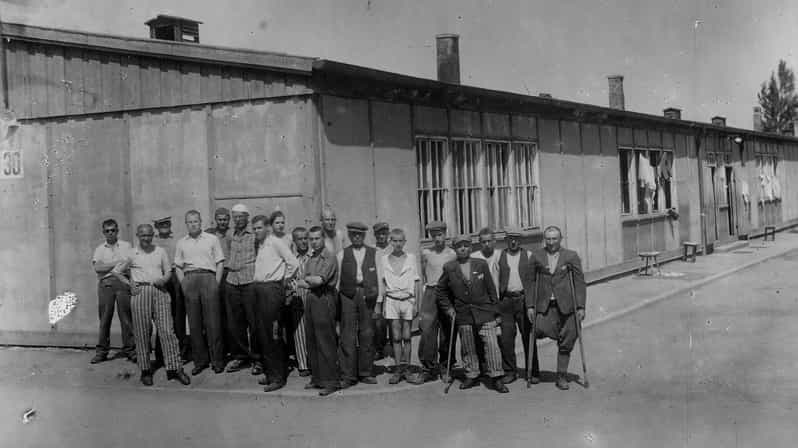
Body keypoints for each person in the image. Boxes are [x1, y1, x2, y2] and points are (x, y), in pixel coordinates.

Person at [437, 235, 508, 393]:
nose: (463, 248)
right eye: (459, 246)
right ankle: (472, 374)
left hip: (484, 312)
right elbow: (440, 290)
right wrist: (449, 309)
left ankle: (496, 377)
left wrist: (496, 312)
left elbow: (491, 289)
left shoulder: (480, 264)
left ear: (470, 247)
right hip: (463, 313)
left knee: (491, 345)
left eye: (466, 245)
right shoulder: (449, 267)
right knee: (468, 346)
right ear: (455, 249)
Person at [123, 224, 190, 386]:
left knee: (167, 330)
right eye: (143, 235)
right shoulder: (132, 253)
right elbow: (118, 272)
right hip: (141, 292)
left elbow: (168, 271)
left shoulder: (160, 251)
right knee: (142, 332)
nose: (146, 238)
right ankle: (145, 370)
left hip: (160, 291)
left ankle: (175, 368)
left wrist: (164, 279)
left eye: (149, 235)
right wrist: (130, 284)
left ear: (153, 235)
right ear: (138, 235)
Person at [527, 226, 586, 390]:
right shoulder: (537, 256)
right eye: (548, 239)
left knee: (568, 339)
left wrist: (581, 306)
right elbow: (530, 282)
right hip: (546, 306)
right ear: (544, 239)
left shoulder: (571, 256)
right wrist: (530, 305)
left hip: (567, 306)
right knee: (536, 330)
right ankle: (533, 371)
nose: (551, 242)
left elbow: (579, 282)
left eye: (554, 239)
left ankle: (561, 375)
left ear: (561, 239)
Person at [174, 210, 226, 375]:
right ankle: (200, 361)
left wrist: (216, 283)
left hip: (208, 277)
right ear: (186, 224)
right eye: (189, 222)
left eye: (195, 221)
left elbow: (219, 262)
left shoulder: (212, 239)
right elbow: (178, 266)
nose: (193, 224)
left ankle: (217, 360)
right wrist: (184, 284)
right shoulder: (182, 242)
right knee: (194, 324)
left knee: (213, 323)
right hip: (190, 279)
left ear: (201, 222)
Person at [251, 214, 299, 392]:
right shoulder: (261, 245)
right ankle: (271, 373)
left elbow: (293, 263)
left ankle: (278, 378)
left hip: (272, 291)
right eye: (254, 228)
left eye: (259, 228)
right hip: (260, 290)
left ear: (267, 228)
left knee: (274, 334)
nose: (257, 231)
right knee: (263, 334)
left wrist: (284, 281)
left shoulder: (276, 242)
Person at [336, 222, 385, 388]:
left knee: (367, 333)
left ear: (364, 236)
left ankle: (365, 372)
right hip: (348, 295)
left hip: (368, 295)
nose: (357, 237)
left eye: (360, 234)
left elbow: (379, 278)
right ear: (349, 236)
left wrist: (379, 303)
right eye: (354, 234)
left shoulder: (374, 253)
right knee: (347, 334)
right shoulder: (342, 254)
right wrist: (338, 303)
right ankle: (348, 375)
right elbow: (337, 281)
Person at [408, 221, 456, 385]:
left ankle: (445, 367)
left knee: (446, 333)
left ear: (445, 234)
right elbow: (422, 276)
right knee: (427, 331)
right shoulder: (426, 253)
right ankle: (428, 368)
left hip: (447, 294)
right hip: (430, 292)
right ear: (431, 237)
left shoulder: (452, 254)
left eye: (440, 234)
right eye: (434, 235)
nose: (437, 238)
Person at [295, 226, 339, 396]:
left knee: (325, 341)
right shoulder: (312, 257)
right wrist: (305, 281)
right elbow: (307, 283)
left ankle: (331, 381)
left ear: (323, 239)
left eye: (316, 238)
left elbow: (318, 280)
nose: (313, 242)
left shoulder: (329, 256)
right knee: (311, 339)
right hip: (312, 299)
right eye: (311, 239)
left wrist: (304, 280)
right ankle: (318, 378)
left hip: (324, 298)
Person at [223, 204, 262, 375]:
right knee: (235, 323)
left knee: (254, 323)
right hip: (232, 282)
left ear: (247, 217)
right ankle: (240, 356)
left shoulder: (254, 235)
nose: (238, 220)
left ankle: (257, 359)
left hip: (249, 282)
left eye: (241, 217)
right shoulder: (230, 235)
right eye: (235, 217)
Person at [90, 218, 135, 364]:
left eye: (113, 230)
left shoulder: (126, 246)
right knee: (104, 319)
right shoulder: (99, 249)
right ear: (103, 232)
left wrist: (107, 266)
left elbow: (129, 265)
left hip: (122, 283)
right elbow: (98, 268)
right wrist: (116, 263)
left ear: (117, 231)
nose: (110, 233)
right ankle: (102, 352)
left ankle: (131, 350)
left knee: (126, 318)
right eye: (107, 231)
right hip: (106, 284)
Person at [381, 228, 421, 384]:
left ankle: (407, 370)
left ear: (404, 242)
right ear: (390, 242)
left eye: (400, 241)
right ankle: (398, 369)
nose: (397, 244)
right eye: (394, 241)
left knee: (407, 337)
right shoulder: (384, 259)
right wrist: (383, 303)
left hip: (408, 300)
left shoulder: (411, 257)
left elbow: (417, 281)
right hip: (391, 300)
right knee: (396, 337)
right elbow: (383, 283)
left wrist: (417, 303)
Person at [496, 228, 534, 384]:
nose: (513, 241)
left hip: (523, 299)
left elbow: (535, 279)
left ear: (521, 240)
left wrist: (532, 304)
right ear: (506, 240)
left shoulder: (529, 255)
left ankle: (533, 370)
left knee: (528, 336)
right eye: (510, 238)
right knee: (506, 338)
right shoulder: (500, 255)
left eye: (516, 239)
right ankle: (510, 371)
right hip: (505, 301)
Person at [153, 216, 190, 364]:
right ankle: (161, 355)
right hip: (159, 278)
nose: (164, 226)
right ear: (156, 226)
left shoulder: (178, 240)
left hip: (174, 277)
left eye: (167, 223)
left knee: (178, 316)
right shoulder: (153, 242)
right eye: (161, 224)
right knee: (161, 317)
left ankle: (180, 353)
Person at [205, 207, 232, 361]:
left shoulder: (232, 234)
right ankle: (216, 350)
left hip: (229, 274)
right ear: (216, 220)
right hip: (214, 273)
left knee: (228, 313)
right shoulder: (209, 234)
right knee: (214, 312)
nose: (222, 222)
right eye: (220, 219)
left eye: (225, 219)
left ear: (229, 220)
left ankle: (229, 347)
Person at [289, 226, 311, 377]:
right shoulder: (291, 258)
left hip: (313, 296)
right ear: (294, 241)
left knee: (315, 329)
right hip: (297, 296)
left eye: (305, 238)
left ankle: (315, 361)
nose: (303, 242)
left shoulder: (314, 255)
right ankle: (303, 364)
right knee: (300, 331)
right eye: (300, 239)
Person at [372, 221, 392, 360]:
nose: (382, 236)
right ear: (375, 235)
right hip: (378, 290)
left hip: (393, 290)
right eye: (379, 233)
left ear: (388, 234)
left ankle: (394, 346)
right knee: (378, 321)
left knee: (394, 320)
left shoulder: (393, 248)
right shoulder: (372, 250)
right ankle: (379, 348)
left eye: (384, 233)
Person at [471, 227, 500, 298]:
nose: (487, 244)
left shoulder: (500, 255)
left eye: (489, 241)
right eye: (484, 242)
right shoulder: (473, 257)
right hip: (481, 299)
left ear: (494, 241)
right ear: (479, 242)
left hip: (498, 297)